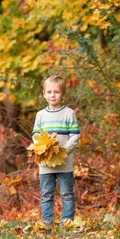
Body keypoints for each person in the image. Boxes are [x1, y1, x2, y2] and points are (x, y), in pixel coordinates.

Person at [32, 75, 80, 226]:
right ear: (44, 94)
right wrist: (42, 148)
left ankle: (67, 222)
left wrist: (64, 150)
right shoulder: (41, 115)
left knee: (66, 193)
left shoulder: (69, 113)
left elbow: (75, 136)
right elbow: (35, 135)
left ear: (63, 94)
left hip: (64, 163)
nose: (53, 95)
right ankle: (47, 222)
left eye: (57, 92)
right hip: (45, 163)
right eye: (49, 92)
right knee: (46, 194)